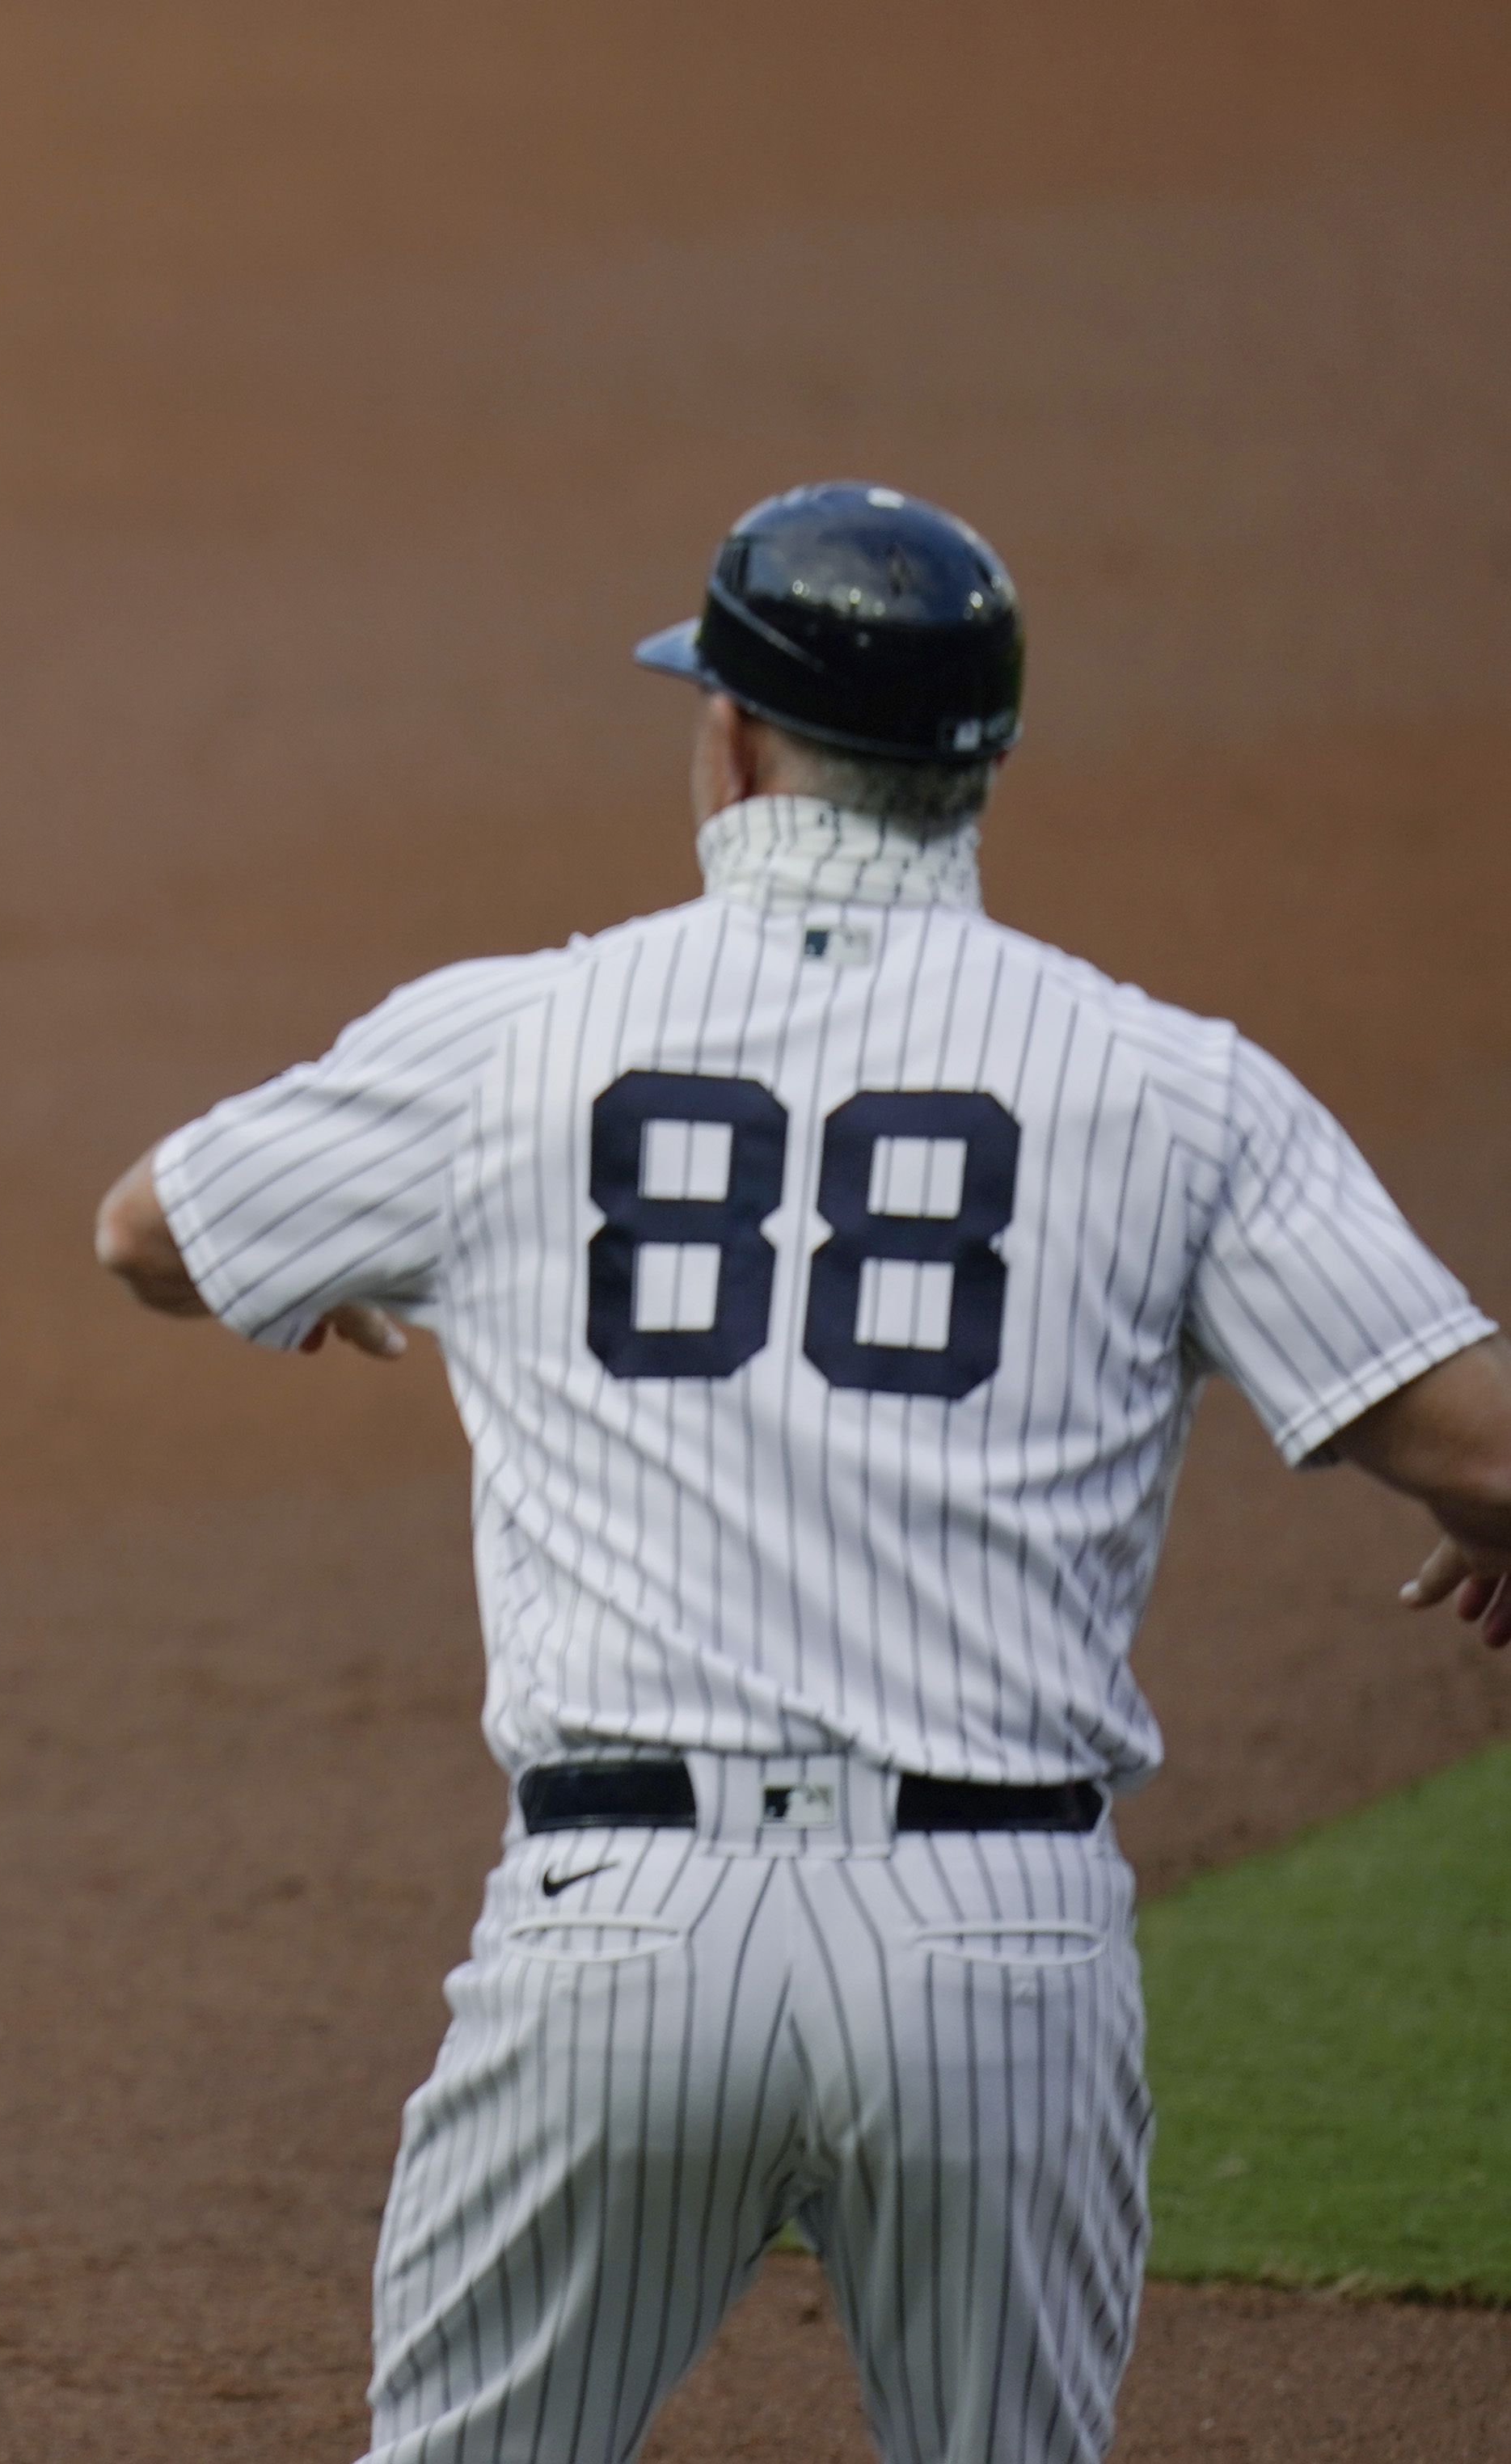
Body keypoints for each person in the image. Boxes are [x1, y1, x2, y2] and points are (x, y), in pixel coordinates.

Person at [92, 480, 1511, 2464]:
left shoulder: (517, 1038)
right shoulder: (1176, 1082)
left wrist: (341, 1273)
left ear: (735, 741)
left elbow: (151, 1230)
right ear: (984, 766)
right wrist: (1470, 1515)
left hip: (620, 1930)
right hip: (995, 1947)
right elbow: (1488, 1444)